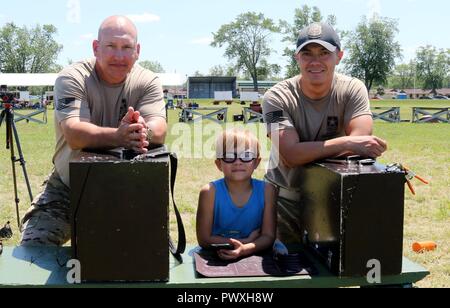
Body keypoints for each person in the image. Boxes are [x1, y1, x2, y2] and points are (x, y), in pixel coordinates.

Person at [20, 16, 167, 246]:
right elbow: (75, 134)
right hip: (69, 186)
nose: (119, 56)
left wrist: (140, 130)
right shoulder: (72, 77)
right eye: (111, 46)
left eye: (126, 47)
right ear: (96, 48)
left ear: (137, 51)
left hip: (126, 188)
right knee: (33, 249)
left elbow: (159, 128)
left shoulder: (147, 81)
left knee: (147, 259)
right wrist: (119, 136)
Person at [262, 22, 388, 243]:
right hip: (284, 197)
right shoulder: (274, 98)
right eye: (307, 53)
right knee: (284, 267)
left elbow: (361, 144)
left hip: (335, 195)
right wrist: (345, 144)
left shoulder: (353, 88)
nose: (315, 61)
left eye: (324, 53)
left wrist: (311, 150)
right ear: (297, 58)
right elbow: (290, 155)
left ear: (339, 56)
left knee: (341, 268)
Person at [196, 129, 276, 261]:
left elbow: (268, 236)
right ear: (219, 164)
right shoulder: (209, 192)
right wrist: (244, 241)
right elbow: (204, 239)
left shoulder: (268, 191)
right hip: (214, 257)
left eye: (246, 155)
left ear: (256, 162)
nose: (238, 161)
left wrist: (245, 249)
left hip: (257, 255)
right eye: (229, 156)